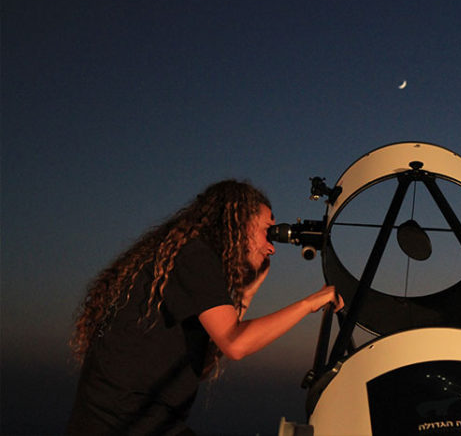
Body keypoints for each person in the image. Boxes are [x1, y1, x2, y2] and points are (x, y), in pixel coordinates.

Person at [66, 179, 343, 435]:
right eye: (267, 231)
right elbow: (236, 344)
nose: (271, 248)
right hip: (126, 424)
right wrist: (310, 303)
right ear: (239, 222)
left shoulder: (186, 256)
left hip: (123, 421)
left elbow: (211, 352)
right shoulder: (196, 255)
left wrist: (246, 294)